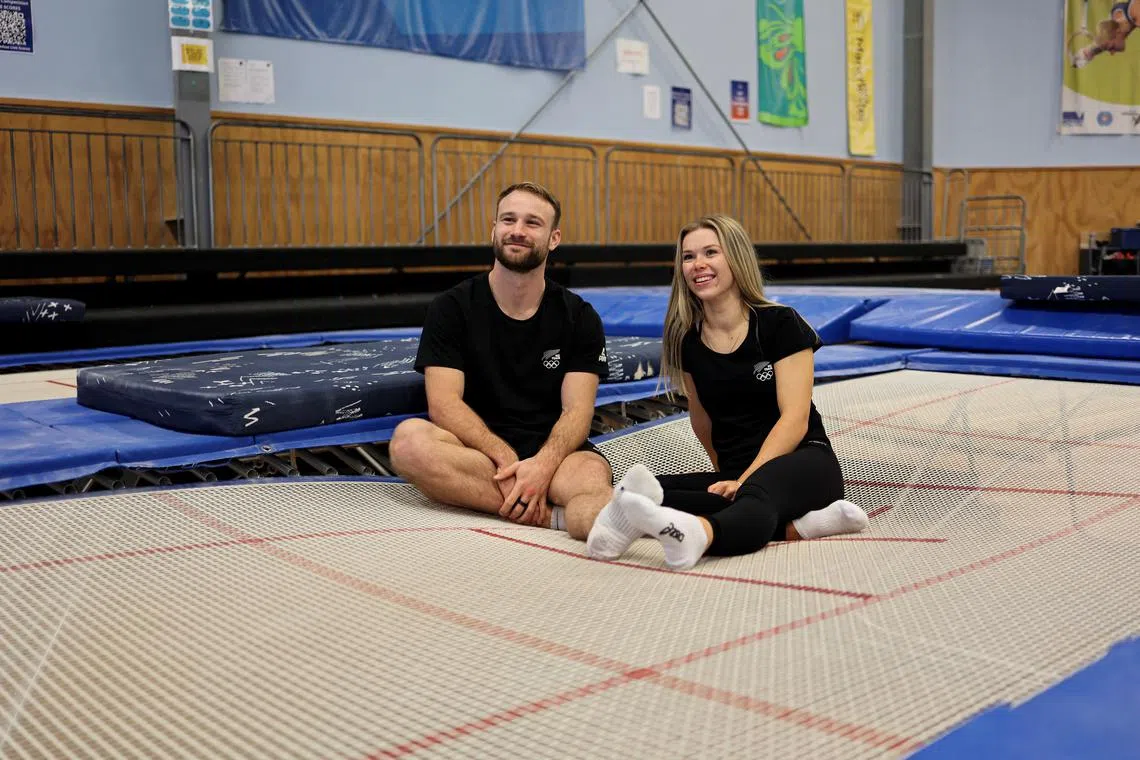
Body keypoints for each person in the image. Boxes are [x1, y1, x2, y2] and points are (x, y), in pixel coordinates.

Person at [586, 214, 869, 571]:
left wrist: (746, 479)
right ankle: (797, 527)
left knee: (755, 496)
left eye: (710, 253)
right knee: (646, 490)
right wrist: (728, 477)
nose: (698, 265)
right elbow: (702, 422)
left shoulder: (780, 324)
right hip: (738, 472)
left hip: (804, 462)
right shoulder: (688, 341)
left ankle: (700, 534)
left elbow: (795, 419)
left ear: (735, 258)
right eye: (688, 257)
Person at [388, 182, 613, 540]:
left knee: (593, 485)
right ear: (493, 229)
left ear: (554, 238)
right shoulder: (451, 308)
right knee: (408, 443)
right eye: (508, 220)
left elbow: (577, 413)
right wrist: (508, 461)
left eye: (532, 223)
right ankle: (547, 516)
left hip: (556, 456)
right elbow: (444, 404)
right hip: (479, 454)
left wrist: (541, 466)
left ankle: (637, 523)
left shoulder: (580, 317)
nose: (518, 231)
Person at [1072, 0, 1138, 67]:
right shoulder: (1115, 21)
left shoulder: (1135, 12)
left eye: (1113, 47)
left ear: (1117, 32)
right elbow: (1104, 43)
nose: (1113, 53)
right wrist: (1089, 52)